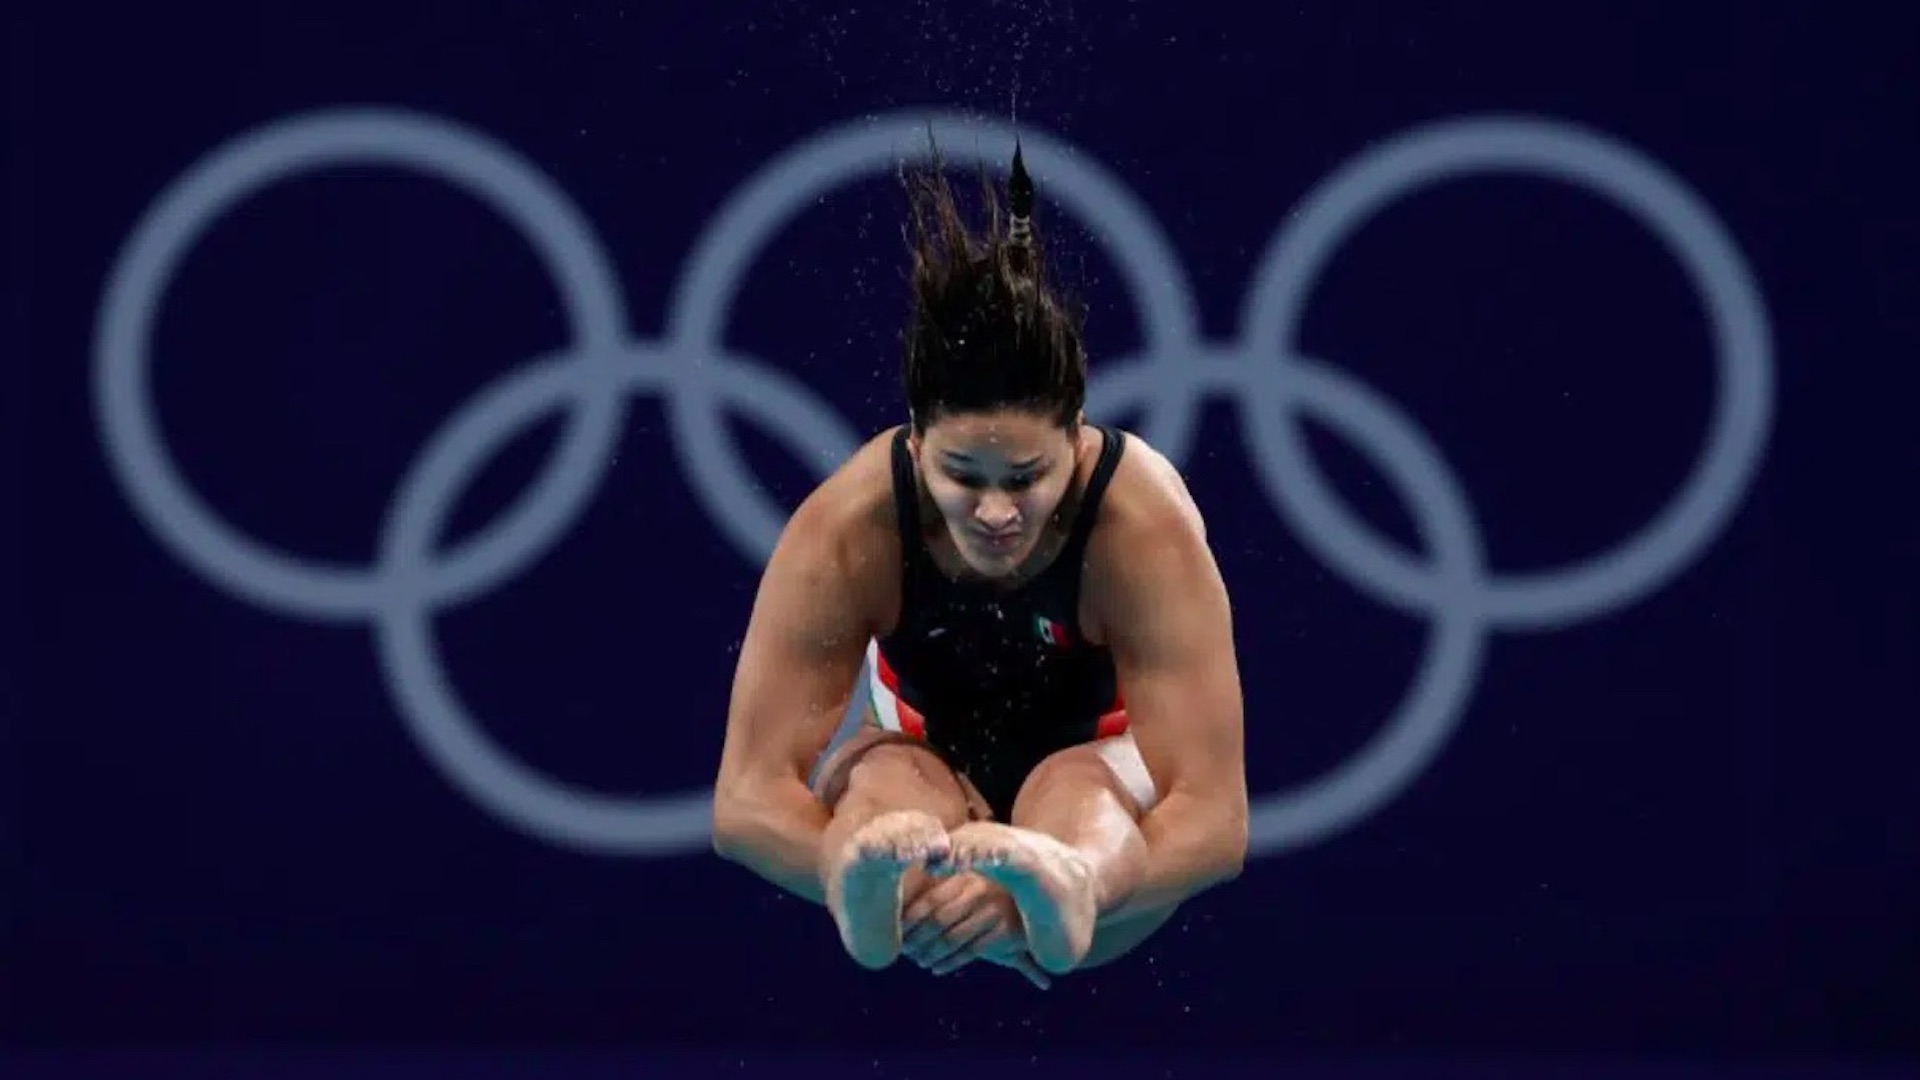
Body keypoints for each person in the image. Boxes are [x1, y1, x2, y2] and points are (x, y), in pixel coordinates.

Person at [710, 140, 1248, 988]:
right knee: (887, 779)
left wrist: (1049, 890)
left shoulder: (1136, 523)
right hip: (926, 782)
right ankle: (868, 886)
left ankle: (1068, 883)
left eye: (1028, 478)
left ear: (1075, 443)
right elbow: (743, 804)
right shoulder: (853, 526)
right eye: (963, 476)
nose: (997, 511)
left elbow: (1214, 822)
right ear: (917, 445)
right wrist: (855, 872)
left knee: (1073, 788)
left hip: (1103, 800)